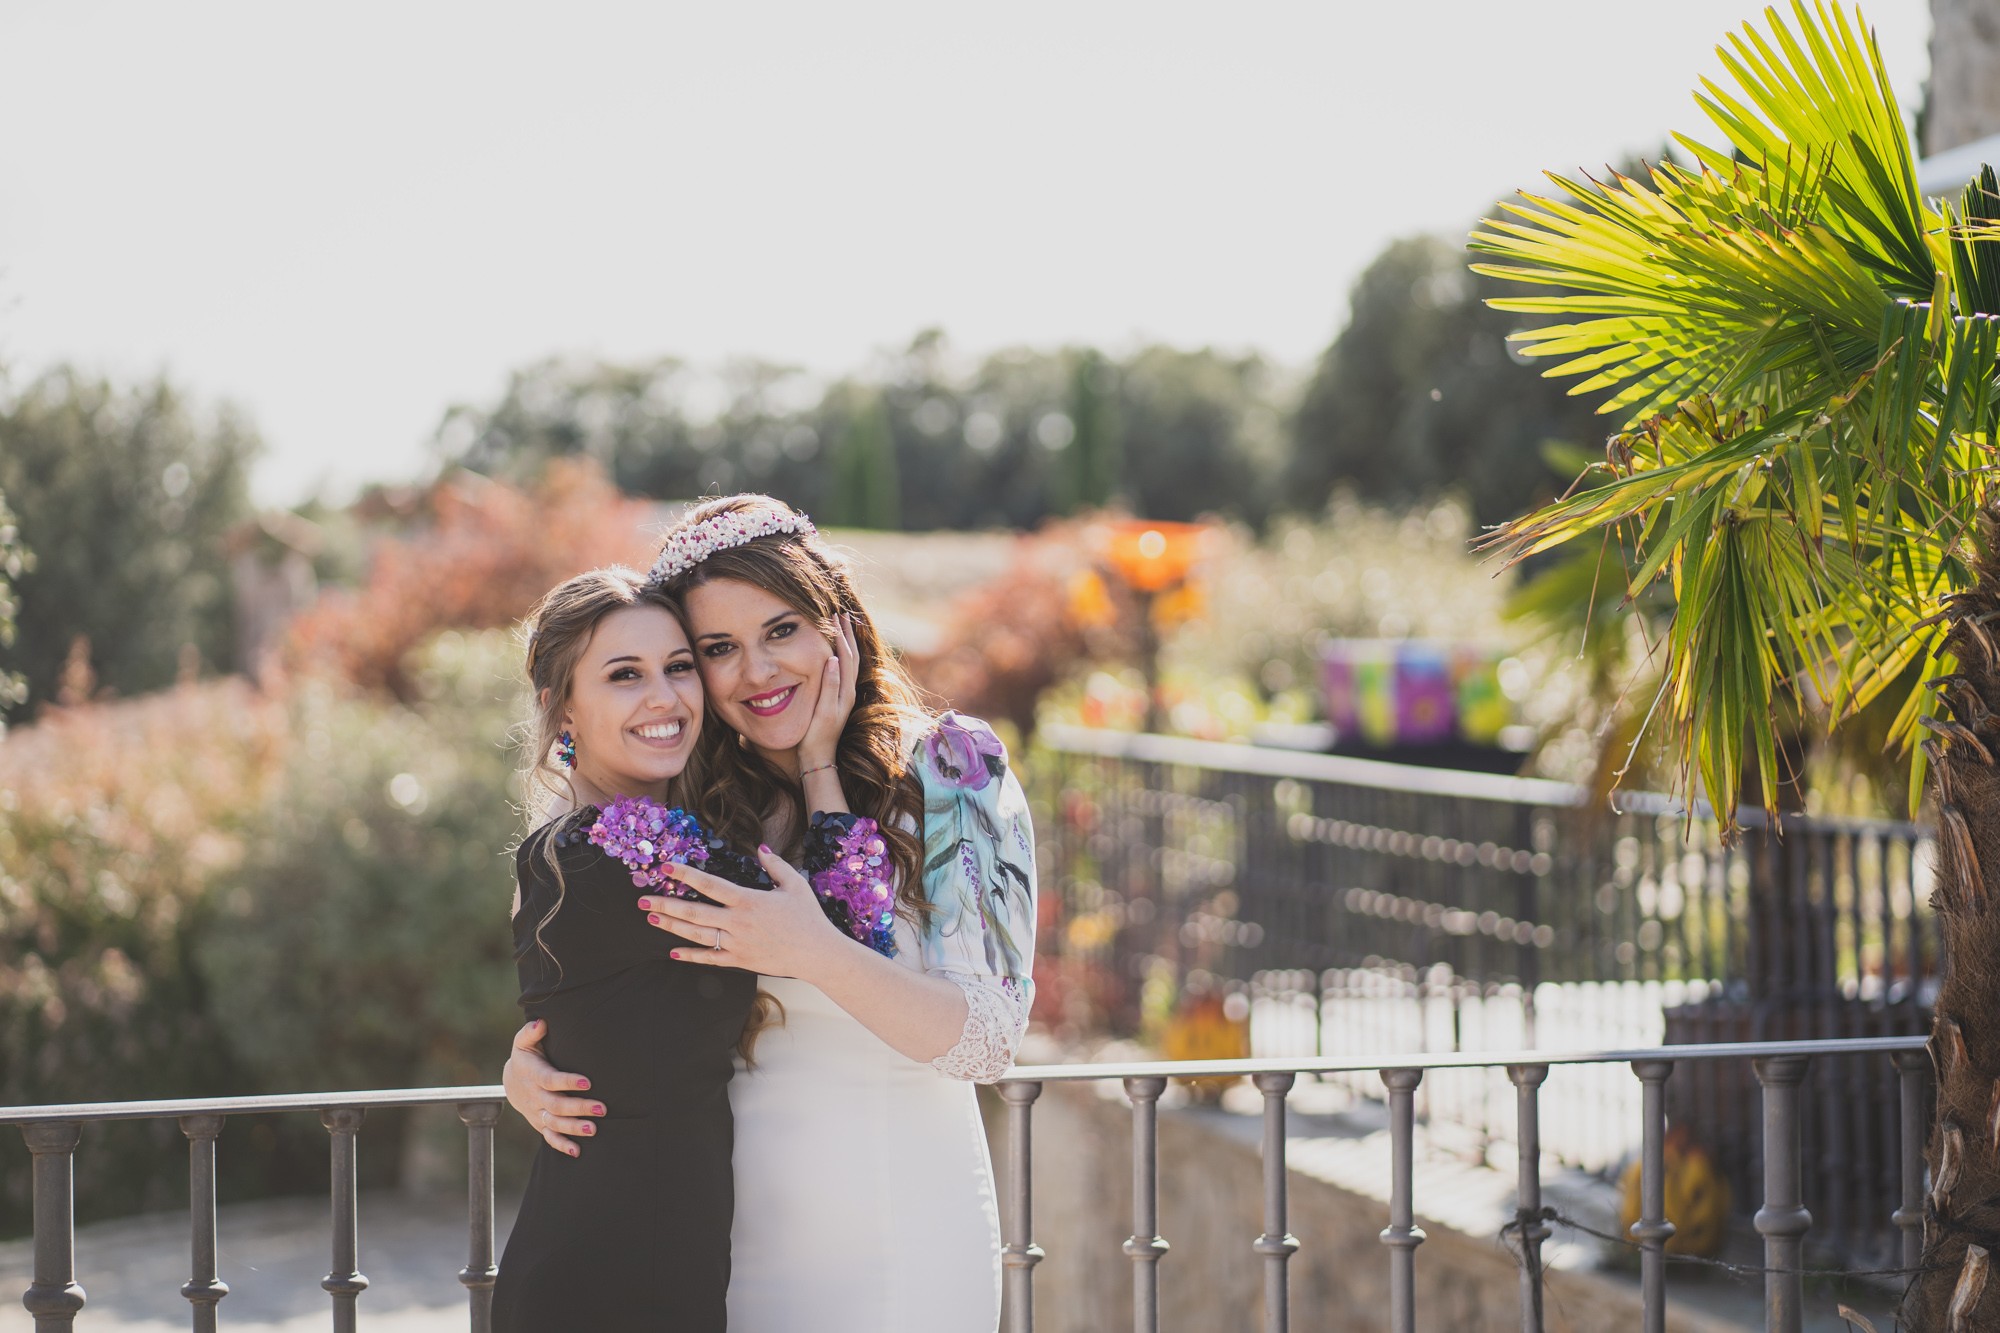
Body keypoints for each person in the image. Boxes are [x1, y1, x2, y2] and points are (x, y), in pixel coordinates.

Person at [503, 496, 1038, 1333]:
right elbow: (614, 976)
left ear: (839, 625)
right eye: (718, 649)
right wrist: (534, 1063)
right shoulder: (709, 800)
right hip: (725, 1244)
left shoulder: (953, 769)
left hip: (896, 1225)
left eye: (781, 630)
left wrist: (816, 949)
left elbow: (989, 1039)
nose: (756, 671)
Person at [491, 566, 776, 1333]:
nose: (666, 697)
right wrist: (815, 754)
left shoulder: (593, 851)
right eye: (625, 674)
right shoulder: (587, 858)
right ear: (563, 709)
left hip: (663, 1263)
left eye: (680, 667)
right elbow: (827, 919)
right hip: (602, 1279)